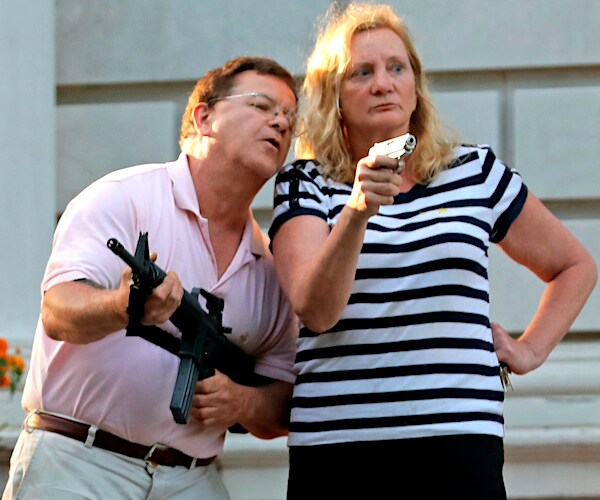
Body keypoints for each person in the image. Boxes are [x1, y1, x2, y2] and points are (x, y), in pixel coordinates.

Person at [268, 3, 598, 499]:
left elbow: (574, 265)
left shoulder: (474, 173)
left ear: (415, 86)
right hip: (341, 448)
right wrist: (358, 210)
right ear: (333, 96)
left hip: (460, 442)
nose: (383, 83)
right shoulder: (306, 183)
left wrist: (529, 349)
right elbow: (316, 310)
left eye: (396, 68)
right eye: (362, 72)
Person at [3, 56, 299, 500]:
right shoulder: (124, 198)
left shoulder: (271, 265)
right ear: (204, 117)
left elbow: (284, 398)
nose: (280, 122)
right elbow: (57, 311)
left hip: (191, 476)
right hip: (79, 463)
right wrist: (122, 306)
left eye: (290, 118)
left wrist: (243, 403)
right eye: (261, 105)